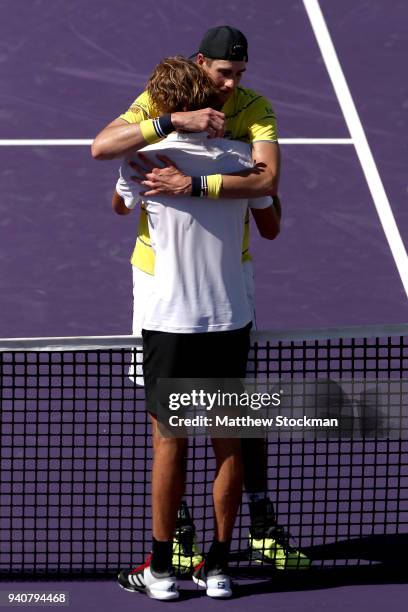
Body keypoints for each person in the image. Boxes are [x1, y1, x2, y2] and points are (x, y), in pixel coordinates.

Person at [93, 25, 309, 573]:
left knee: (176, 434)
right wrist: (182, 135)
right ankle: (213, 554)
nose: (232, 85)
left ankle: (171, 556)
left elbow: (120, 187)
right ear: (199, 68)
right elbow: (269, 208)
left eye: (239, 74)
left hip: (195, 300)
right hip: (194, 299)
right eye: (222, 74)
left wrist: (189, 185)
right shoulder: (213, 141)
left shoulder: (239, 119)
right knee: (221, 432)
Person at [114, 56, 278, 600]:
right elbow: (271, 224)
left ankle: (160, 571)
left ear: (168, 107)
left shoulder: (144, 158)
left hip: (168, 321)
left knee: (169, 442)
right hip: (229, 318)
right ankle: (220, 568)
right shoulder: (242, 162)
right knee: (227, 442)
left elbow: (119, 206)